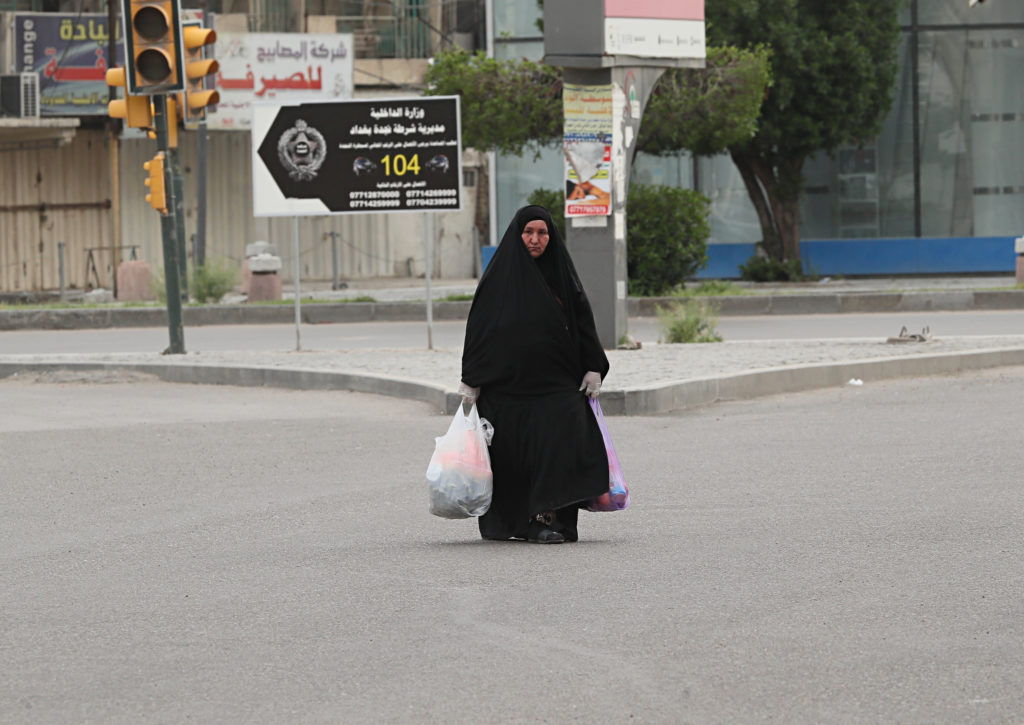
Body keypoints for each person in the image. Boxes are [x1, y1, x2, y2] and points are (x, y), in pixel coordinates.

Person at [458, 205, 610, 544]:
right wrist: (472, 378)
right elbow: (481, 329)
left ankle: (551, 520)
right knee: (514, 459)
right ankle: (522, 522)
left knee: (560, 450)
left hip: (557, 386)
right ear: (518, 235)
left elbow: (582, 319)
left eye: (542, 233)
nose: (535, 239)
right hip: (507, 389)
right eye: (529, 232)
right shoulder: (500, 277)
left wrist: (593, 366)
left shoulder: (561, 274)